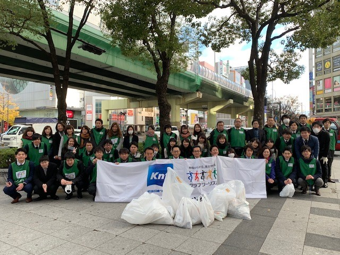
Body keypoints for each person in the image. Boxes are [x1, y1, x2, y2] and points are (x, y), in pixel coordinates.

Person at [311, 121, 330, 188]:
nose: (316, 128)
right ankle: (312, 182)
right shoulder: (310, 134)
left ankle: (324, 181)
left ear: (321, 128)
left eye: (318, 127)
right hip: (312, 154)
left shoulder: (325, 134)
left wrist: (325, 155)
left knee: (324, 167)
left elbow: (327, 146)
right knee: (313, 168)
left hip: (322, 153)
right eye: (314, 127)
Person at [323, 118, 336, 183]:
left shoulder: (333, 131)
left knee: (329, 164)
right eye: (325, 122)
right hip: (324, 150)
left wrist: (332, 147)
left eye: (328, 123)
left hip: (331, 150)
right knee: (324, 164)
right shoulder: (322, 131)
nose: (327, 124)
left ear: (330, 124)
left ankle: (329, 177)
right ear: (323, 124)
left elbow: (335, 140)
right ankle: (324, 177)